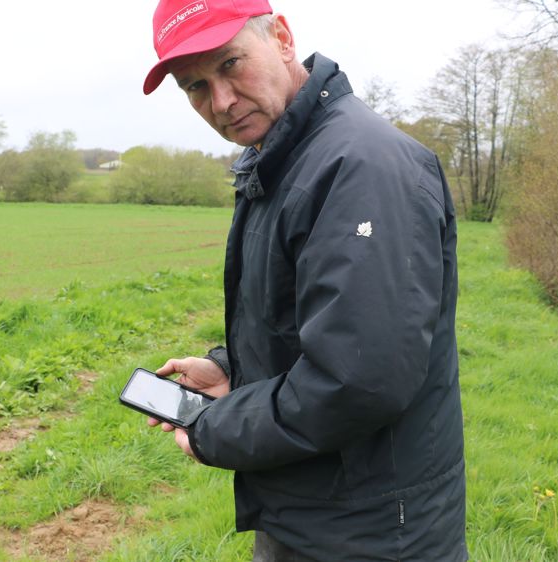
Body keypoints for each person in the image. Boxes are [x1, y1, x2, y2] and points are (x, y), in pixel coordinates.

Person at [141, 1, 467, 560]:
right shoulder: (282, 156)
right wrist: (230, 370)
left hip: (372, 533)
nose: (220, 102)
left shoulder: (361, 165)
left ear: (283, 38)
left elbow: (358, 381)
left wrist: (215, 427)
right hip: (313, 508)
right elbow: (308, 317)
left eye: (230, 64)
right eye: (194, 87)